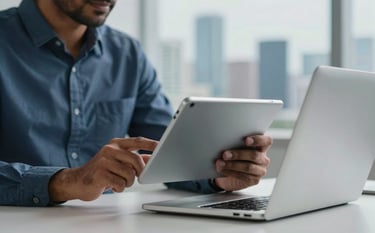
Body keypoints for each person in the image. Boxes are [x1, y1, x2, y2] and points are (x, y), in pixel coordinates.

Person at [0, 0, 272, 206]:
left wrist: (218, 175)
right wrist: (66, 182)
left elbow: (167, 148)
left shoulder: (127, 54)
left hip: (104, 223)